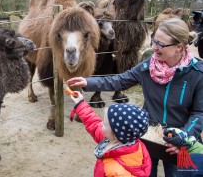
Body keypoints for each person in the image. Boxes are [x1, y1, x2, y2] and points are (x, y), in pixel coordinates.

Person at [67, 17, 203, 177]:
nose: (154, 47)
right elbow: (120, 80)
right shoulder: (148, 66)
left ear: (179, 47)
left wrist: (185, 137)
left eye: (161, 44)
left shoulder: (197, 73)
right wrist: (88, 82)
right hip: (149, 136)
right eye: (154, 40)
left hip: (180, 142)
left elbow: (199, 112)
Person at [69, 91, 151, 177]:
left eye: (104, 124)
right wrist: (80, 104)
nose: (101, 124)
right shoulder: (134, 144)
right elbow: (94, 123)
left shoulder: (113, 171)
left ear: (115, 134)